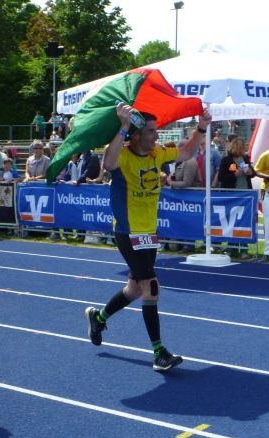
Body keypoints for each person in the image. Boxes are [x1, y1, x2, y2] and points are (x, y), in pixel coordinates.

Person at [84, 102, 212, 371]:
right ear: (137, 134)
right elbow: (108, 162)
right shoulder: (124, 155)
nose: (157, 135)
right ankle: (159, 352)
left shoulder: (157, 153)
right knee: (151, 286)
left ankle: (99, 317)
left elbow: (187, 152)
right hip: (128, 231)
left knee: (134, 289)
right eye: (152, 131)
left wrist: (201, 128)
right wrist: (124, 126)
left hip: (149, 232)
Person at [218, 137, 256, 259]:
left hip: (245, 193)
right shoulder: (226, 160)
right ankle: (231, 247)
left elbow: (254, 173)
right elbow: (221, 177)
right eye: (242, 146)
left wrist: (250, 173)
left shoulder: (245, 159)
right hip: (231, 194)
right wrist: (234, 175)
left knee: (243, 221)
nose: (243, 149)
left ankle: (244, 248)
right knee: (231, 221)